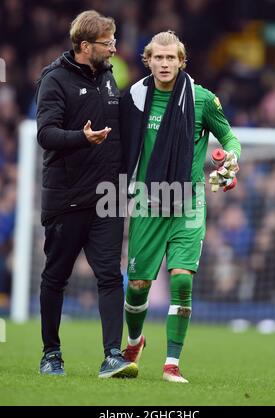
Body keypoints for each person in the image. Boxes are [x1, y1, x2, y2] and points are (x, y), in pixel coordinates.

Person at [120, 31, 241, 383]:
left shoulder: (202, 100)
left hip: (189, 202)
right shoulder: (135, 97)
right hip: (148, 200)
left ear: (181, 61)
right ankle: (134, 342)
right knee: (138, 284)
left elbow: (230, 138)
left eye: (171, 58)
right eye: (158, 57)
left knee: (182, 280)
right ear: (148, 60)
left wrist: (230, 161)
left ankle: (172, 362)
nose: (164, 63)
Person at [36, 10, 137, 378]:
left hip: (107, 198)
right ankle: (51, 354)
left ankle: (112, 354)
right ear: (84, 46)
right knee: (56, 277)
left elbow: (124, 135)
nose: (113, 48)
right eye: (107, 42)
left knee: (110, 275)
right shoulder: (54, 80)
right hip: (67, 198)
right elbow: (45, 134)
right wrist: (82, 137)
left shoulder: (110, 78)